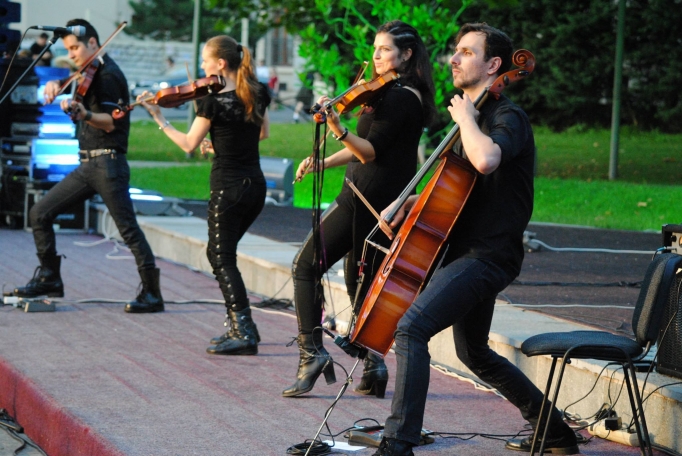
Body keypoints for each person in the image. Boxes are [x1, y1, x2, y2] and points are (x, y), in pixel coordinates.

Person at [370, 23, 579, 456]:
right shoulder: (473, 119)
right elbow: (457, 191)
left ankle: (398, 441)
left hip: (489, 254)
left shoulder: (506, 117)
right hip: (465, 251)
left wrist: (466, 118)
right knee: (475, 353)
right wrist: (409, 205)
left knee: (411, 328)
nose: (454, 59)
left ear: (494, 65)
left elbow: (486, 161)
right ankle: (555, 432)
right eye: (456, 51)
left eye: (466, 52)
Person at [282, 20, 436, 398]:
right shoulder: (398, 93)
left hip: (364, 198)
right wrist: (322, 162)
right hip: (377, 199)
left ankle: (311, 354)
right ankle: (373, 365)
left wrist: (337, 127)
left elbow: (368, 152)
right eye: (375, 48)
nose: (376, 56)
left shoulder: (400, 97)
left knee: (305, 266)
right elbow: (363, 145)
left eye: (385, 49)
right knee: (358, 282)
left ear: (407, 54)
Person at [13, 19, 164, 314]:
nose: (71, 54)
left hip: (108, 163)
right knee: (40, 213)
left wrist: (85, 114)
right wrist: (58, 86)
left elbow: (111, 122)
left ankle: (152, 293)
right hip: (88, 165)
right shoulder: (87, 73)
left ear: (93, 43)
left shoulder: (109, 76)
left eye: (75, 48)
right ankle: (49, 277)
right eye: (68, 49)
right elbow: (75, 90)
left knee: (128, 230)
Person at [137, 36, 270, 356]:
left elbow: (188, 144)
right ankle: (242, 326)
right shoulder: (258, 92)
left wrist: (159, 118)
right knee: (222, 255)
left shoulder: (212, 101)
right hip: (255, 186)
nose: (201, 66)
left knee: (220, 257)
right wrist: (221, 142)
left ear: (220, 64)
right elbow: (262, 133)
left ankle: (243, 330)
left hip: (228, 187)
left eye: (204, 60)